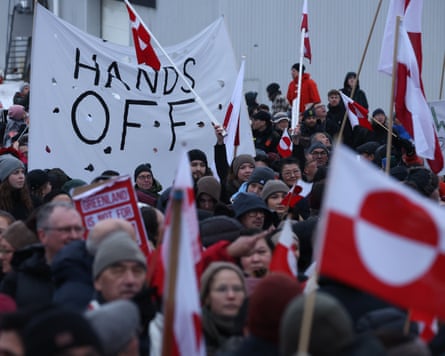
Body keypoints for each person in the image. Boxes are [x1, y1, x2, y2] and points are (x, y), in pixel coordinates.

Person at [200, 262, 247, 356]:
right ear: (207, 297)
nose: (231, 296)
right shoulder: (194, 335)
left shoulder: (257, 333)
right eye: (222, 289)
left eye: (237, 289)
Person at [0, 152, 33, 220]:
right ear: (5, 177)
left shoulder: (31, 200)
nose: (21, 176)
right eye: (16, 173)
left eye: (23, 172)